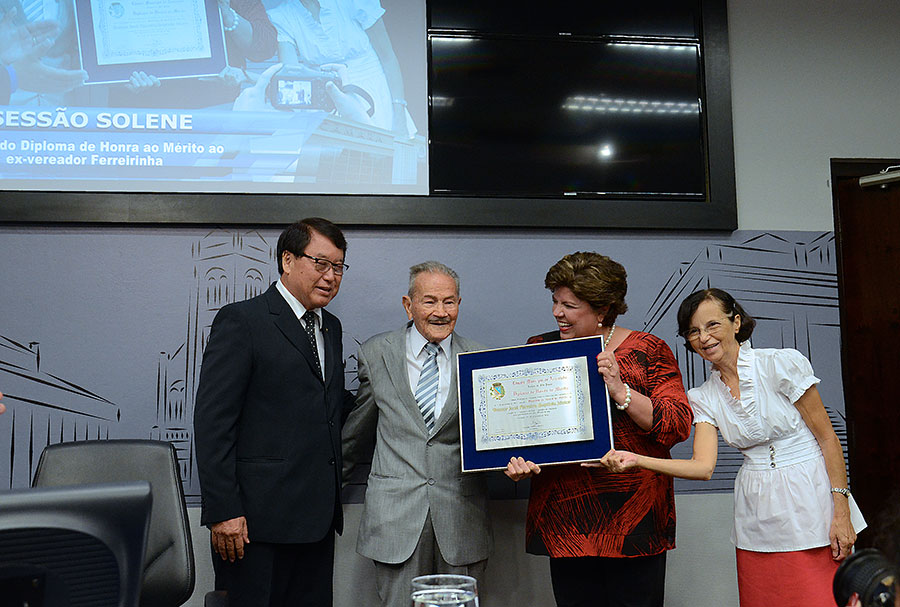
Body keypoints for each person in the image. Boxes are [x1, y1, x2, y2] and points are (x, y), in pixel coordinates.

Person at [598, 288, 864, 607]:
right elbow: (702, 467)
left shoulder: (781, 364)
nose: (704, 337)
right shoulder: (703, 397)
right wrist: (637, 460)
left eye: (712, 325)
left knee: (822, 596)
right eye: (693, 331)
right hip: (756, 510)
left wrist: (841, 510)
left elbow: (827, 439)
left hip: (812, 497)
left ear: (736, 322)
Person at [505, 251, 692, 607]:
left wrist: (621, 391)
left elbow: (677, 425)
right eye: (556, 302)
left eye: (570, 305)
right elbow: (523, 429)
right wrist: (517, 462)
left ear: (602, 309)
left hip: (633, 522)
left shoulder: (648, 350)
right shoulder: (538, 349)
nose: (558, 312)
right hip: (565, 522)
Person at [194, 217, 356, 607]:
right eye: (321, 263)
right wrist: (224, 512)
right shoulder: (242, 320)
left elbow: (330, 404)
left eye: (338, 266)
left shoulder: (329, 326)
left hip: (316, 524)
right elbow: (213, 422)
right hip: (254, 527)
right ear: (287, 260)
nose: (331, 276)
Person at [342, 261, 492, 607]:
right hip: (395, 520)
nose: (441, 312)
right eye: (429, 301)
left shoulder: (481, 359)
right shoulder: (376, 353)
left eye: (449, 302)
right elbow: (355, 436)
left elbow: (491, 439)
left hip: (461, 518)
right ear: (408, 305)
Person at [266, 0, 415, 136]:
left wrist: (399, 117)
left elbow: (387, 58)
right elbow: (290, 76)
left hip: (376, 96)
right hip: (324, 104)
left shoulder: (355, 2)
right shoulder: (282, 15)